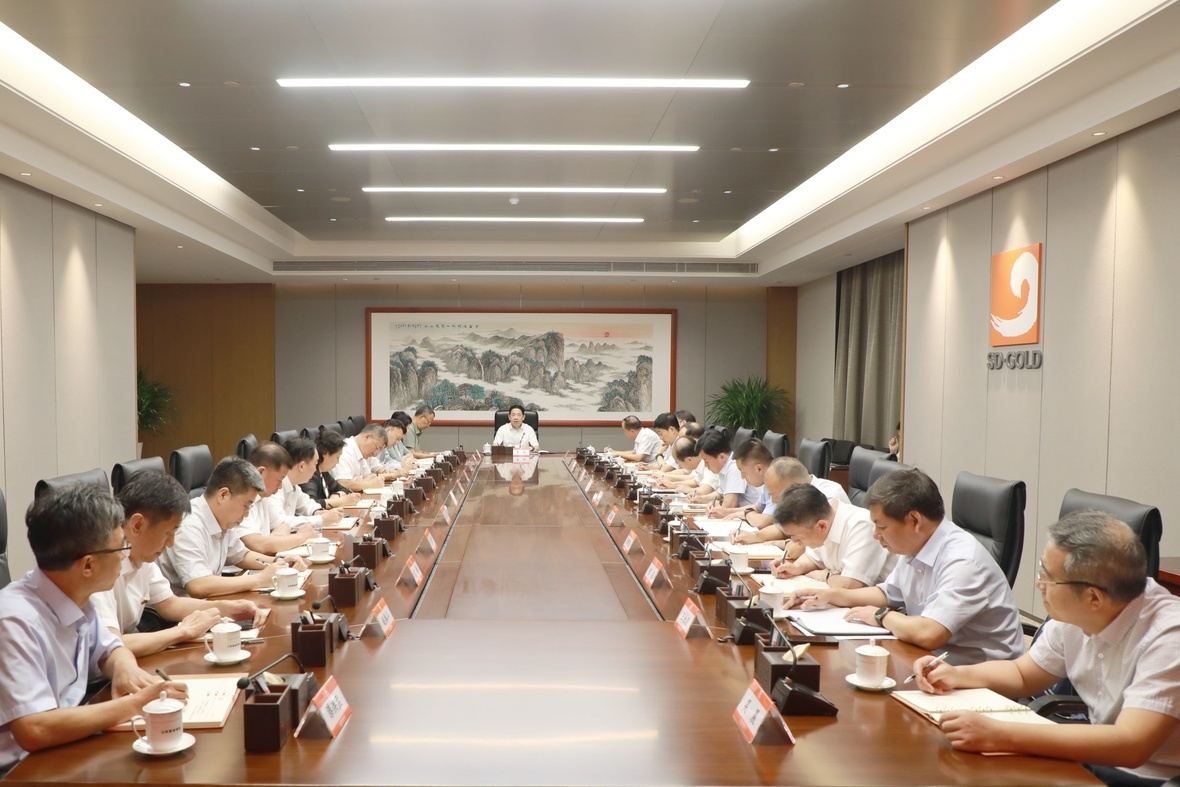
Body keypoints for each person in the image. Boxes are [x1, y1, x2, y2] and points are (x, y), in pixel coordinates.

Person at [914, 512, 1180, 786]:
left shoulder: (1169, 637)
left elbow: (1131, 744)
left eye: (1047, 577)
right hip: (1098, 759)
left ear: (1093, 597)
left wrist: (1000, 734)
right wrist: (957, 675)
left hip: (1152, 777)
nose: (1039, 584)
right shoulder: (1078, 614)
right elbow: (1023, 674)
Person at [0, 485, 187, 775]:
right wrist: (137, 704)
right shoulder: (14, 621)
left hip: (67, 742)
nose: (126, 555)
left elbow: (110, 648)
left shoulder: (74, 592)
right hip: (21, 769)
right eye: (121, 547)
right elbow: (34, 729)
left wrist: (125, 669)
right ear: (88, 565)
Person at [786, 468, 1023, 665]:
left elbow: (929, 633)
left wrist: (881, 616)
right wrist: (832, 596)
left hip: (981, 681)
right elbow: (888, 593)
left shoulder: (962, 561)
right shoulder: (917, 544)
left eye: (882, 527)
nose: (875, 535)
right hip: (930, 662)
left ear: (914, 520)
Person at [91, 472, 263, 657]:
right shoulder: (102, 563)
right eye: (168, 533)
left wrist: (227, 609)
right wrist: (182, 631)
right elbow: (112, 644)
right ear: (138, 525)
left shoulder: (141, 554)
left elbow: (169, 604)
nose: (171, 543)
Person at [156, 456, 305, 598]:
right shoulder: (189, 525)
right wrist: (260, 579)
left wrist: (278, 563)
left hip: (209, 602)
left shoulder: (222, 519)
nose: (246, 514)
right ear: (223, 495)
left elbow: (242, 556)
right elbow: (198, 585)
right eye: (246, 506)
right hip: (181, 609)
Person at [764, 483, 896, 589]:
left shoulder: (862, 526)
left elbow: (850, 586)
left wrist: (827, 575)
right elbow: (813, 557)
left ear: (821, 526)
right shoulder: (824, 520)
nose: (794, 541)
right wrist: (796, 568)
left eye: (797, 536)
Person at [732, 456, 852, 544]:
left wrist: (784, 544)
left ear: (794, 487)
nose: (773, 501)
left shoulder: (828, 496)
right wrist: (754, 536)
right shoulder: (799, 497)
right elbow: (781, 528)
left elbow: (815, 542)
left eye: (776, 495)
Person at [234, 442, 320, 555]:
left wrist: (276, 541)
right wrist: (301, 537)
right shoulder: (239, 500)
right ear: (261, 473)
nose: (280, 487)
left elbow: (282, 524)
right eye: (279, 480)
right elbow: (258, 545)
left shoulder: (264, 496)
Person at [275, 437, 346, 531]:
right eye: (315, 464)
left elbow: (307, 504)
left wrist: (320, 512)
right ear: (302, 466)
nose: (315, 469)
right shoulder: (274, 487)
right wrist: (321, 519)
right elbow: (280, 522)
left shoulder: (293, 485)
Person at [696, 429, 761, 508]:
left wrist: (716, 505)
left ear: (721, 457)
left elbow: (730, 505)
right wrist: (701, 499)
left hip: (754, 513)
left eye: (706, 461)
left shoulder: (735, 466)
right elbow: (721, 493)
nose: (705, 465)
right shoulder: (724, 466)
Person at [300, 429, 362, 509]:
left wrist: (336, 495)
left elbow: (343, 489)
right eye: (337, 457)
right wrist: (340, 501)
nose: (338, 462)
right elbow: (311, 504)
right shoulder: (310, 474)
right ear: (325, 453)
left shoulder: (324, 472)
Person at [716, 438, 774, 523]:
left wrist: (745, 514)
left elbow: (764, 521)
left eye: (743, 472)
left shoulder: (779, 482)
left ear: (759, 469)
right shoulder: (768, 481)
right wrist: (727, 512)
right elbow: (757, 508)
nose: (742, 477)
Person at [333, 424, 388, 492]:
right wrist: (370, 485)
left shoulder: (361, 451)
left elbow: (369, 476)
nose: (375, 454)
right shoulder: (345, 451)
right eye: (377, 448)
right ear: (367, 437)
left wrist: (361, 482)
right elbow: (343, 484)